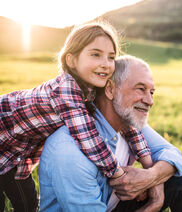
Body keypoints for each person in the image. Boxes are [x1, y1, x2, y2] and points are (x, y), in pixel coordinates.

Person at [0, 22, 154, 212]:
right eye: (96, 54)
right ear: (72, 61)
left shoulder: (93, 87)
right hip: (3, 137)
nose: (105, 64)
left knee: (28, 203)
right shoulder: (66, 89)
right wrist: (122, 177)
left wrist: (148, 165)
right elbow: (89, 139)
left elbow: (127, 124)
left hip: (17, 154)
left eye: (111, 57)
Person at [39, 55, 182, 212]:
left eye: (151, 92)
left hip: (112, 205)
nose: (150, 101)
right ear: (110, 89)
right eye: (141, 89)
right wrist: (150, 207)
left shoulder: (129, 123)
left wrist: (150, 177)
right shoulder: (69, 150)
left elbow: (176, 156)